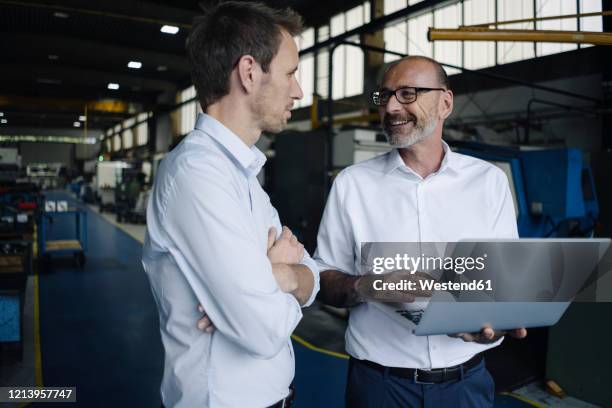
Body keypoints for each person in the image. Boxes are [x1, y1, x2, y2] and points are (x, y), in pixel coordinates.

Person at [314, 56, 527, 408]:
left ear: (445, 102)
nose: (392, 107)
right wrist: (372, 286)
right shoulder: (353, 185)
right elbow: (323, 280)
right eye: (385, 96)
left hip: (465, 384)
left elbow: (502, 280)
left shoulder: (488, 182)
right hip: (381, 386)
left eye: (408, 94)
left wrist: (497, 321)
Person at [142, 2, 319, 407]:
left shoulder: (244, 175)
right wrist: (276, 278)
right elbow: (260, 330)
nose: (298, 90)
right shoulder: (196, 175)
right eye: (290, 73)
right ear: (249, 72)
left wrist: (278, 277)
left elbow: (312, 276)